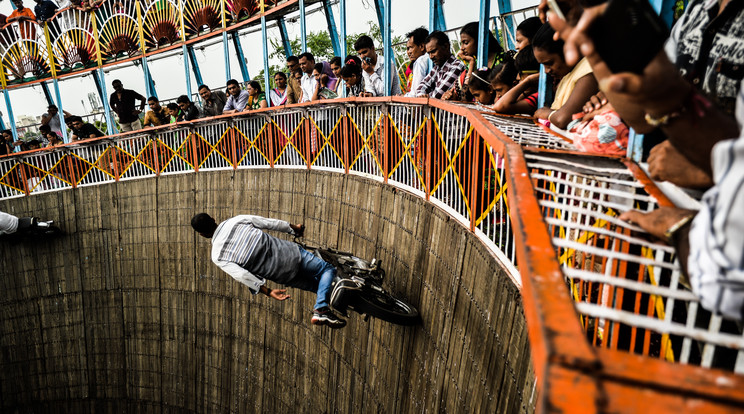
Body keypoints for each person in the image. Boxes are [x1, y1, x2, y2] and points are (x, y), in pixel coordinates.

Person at [544, 1, 744, 320]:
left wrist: (712, 173)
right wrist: (607, 54)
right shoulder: (698, 10)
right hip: (680, 230)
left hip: (719, 253)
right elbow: (642, 118)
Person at [191, 213, 347, 328]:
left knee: (317, 287)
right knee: (327, 270)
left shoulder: (217, 255)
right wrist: (294, 229)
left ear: (202, 234)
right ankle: (320, 308)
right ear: (213, 218)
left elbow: (242, 275)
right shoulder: (235, 221)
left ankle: (345, 304)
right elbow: (270, 223)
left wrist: (268, 291)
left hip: (281, 275)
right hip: (292, 256)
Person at [531, 22, 597, 129]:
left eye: (550, 63)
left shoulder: (588, 71)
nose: (547, 71)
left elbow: (562, 119)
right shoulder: (568, 74)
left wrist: (547, 113)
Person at [454, 22, 505, 101]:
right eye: (462, 43)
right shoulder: (473, 65)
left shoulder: (503, 59)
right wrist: (471, 64)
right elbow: (465, 98)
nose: (462, 48)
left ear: (480, 40)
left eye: (466, 43)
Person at [414, 31, 466, 99]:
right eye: (428, 53)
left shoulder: (457, 66)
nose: (431, 57)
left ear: (446, 46)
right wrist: (422, 95)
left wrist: (424, 97)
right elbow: (421, 86)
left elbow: (438, 95)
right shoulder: (437, 67)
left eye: (433, 51)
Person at [404, 27, 432, 98]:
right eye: (407, 49)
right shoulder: (430, 59)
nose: (409, 52)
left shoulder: (420, 61)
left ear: (422, 46)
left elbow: (414, 93)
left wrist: (402, 97)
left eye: (411, 47)